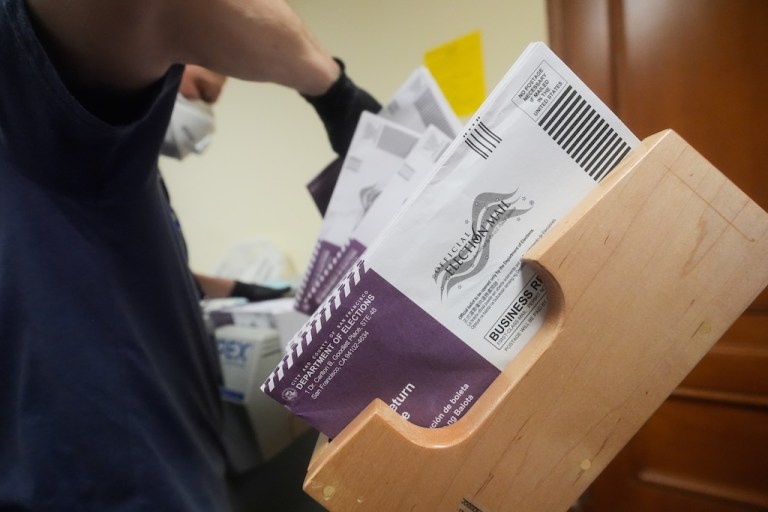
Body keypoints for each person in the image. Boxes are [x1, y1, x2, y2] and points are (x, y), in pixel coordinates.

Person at [0, 0, 379, 510]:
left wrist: (251, 291)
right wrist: (332, 87)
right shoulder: (52, 127)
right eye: (200, 90)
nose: (202, 114)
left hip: (191, 475)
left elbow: (143, 278)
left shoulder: (119, 181)